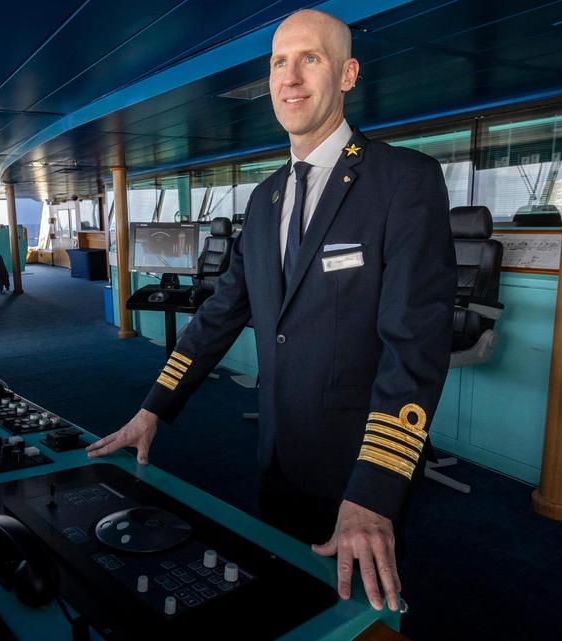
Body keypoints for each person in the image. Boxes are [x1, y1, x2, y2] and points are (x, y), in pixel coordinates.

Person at [88, 8, 455, 614]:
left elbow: (414, 346)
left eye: (310, 58)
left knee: (350, 618)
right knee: (280, 602)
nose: (291, 77)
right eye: (279, 62)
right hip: (277, 456)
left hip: (354, 469)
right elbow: (219, 316)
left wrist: (376, 490)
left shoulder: (404, 181)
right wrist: (154, 408)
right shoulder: (265, 199)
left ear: (347, 74)